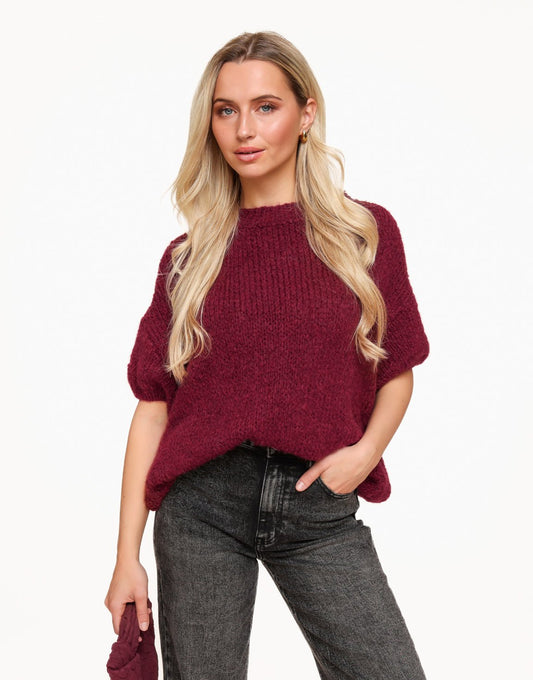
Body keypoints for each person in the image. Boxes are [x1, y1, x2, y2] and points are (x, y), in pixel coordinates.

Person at [104, 30, 430, 680]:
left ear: (306, 114)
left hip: (318, 505)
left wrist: (365, 453)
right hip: (202, 508)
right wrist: (125, 558)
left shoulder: (364, 234)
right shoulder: (188, 259)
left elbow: (397, 370)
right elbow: (153, 410)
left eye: (265, 107)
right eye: (225, 110)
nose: (243, 129)